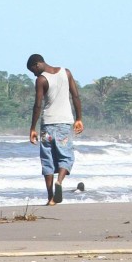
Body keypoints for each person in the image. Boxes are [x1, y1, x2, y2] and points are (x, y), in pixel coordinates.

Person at [28, 54, 83, 205]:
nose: (34, 74)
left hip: (47, 125)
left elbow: (38, 105)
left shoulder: (41, 79)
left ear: (37, 64)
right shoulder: (66, 72)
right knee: (65, 156)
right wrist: (79, 118)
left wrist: (33, 127)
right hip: (64, 124)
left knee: (48, 160)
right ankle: (60, 181)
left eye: (33, 70)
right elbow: (76, 96)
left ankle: (50, 198)